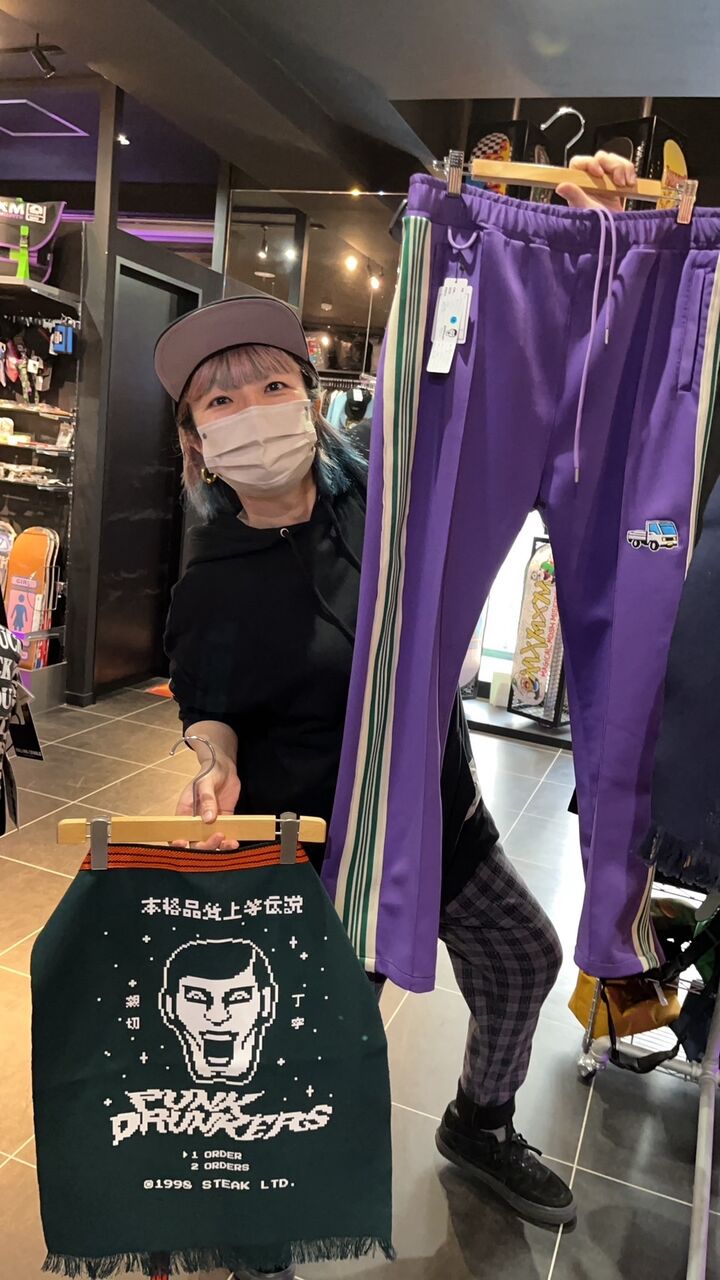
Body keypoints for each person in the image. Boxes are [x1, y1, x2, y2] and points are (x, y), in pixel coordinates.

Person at [156, 153, 636, 1279]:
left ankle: (479, 1122)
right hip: (318, 849)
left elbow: (501, 399)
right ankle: (250, 1213)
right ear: (195, 442)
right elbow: (210, 711)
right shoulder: (210, 578)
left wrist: (579, 245)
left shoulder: (387, 491)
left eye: (270, 385)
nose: (251, 413)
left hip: (438, 809)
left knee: (523, 955)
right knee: (307, 1039)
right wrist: (210, 757)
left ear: (310, 394)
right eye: (219, 401)